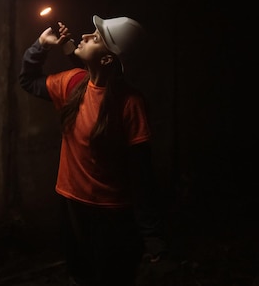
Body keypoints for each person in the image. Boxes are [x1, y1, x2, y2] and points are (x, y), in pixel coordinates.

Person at [19, 15, 164, 286]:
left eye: (96, 38)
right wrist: (41, 45)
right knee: (80, 275)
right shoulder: (73, 83)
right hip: (72, 204)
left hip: (112, 215)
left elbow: (141, 172)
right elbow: (28, 80)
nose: (85, 36)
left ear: (108, 60)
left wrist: (150, 233)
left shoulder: (129, 104)